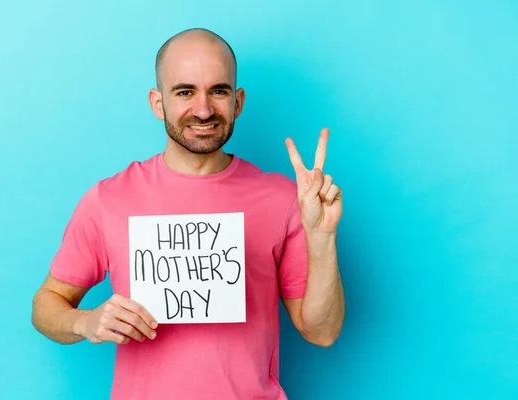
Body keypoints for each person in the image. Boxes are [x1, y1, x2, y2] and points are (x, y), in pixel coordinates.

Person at [31, 28, 345, 400]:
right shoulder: (109, 199)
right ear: (157, 102)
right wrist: (85, 321)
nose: (203, 109)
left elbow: (322, 332)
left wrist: (322, 239)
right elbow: (46, 303)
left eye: (219, 91)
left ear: (238, 101)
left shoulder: (282, 198)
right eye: (184, 91)